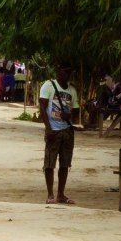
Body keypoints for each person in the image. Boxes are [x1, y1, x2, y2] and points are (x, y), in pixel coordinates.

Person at [36, 69, 80, 204]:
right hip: (53, 130)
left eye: (67, 73)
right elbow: (42, 107)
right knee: (49, 163)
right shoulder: (48, 86)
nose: (64, 75)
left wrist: (70, 116)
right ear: (58, 73)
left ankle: (60, 194)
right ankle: (50, 194)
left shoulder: (72, 90)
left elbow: (76, 110)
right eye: (62, 72)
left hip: (67, 130)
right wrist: (48, 128)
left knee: (65, 164)